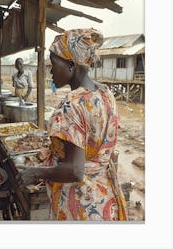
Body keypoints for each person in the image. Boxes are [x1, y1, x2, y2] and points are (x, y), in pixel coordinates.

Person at [17, 28, 128, 221]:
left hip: (79, 205)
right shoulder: (106, 94)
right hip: (103, 198)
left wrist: (37, 172)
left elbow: (75, 171)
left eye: (53, 64)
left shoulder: (72, 105)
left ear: (71, 65)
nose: (51, 71)